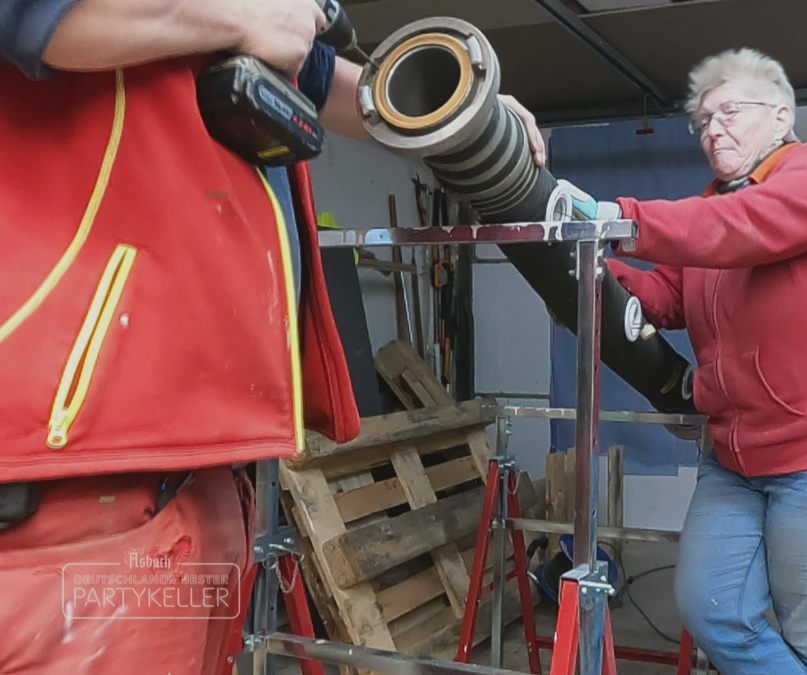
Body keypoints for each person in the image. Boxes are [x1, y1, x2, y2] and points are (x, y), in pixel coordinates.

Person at [0, 2, 542, 673]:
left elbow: (325, 78)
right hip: (76, 483)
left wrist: (463, 116)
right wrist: (237, 15)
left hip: (196, 471)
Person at [508, 48, 807, 675]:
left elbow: (744, 227)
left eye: (730, 111)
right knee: (711, 608)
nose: (713, 129)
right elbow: (665, 297)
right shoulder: (711, 212)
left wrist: (616, 217)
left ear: (782, 117)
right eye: (703, 122)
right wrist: (575, 271)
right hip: (736, 452)